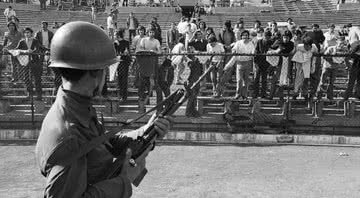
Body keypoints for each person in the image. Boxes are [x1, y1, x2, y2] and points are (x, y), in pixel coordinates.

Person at [35, 22, 173, 197]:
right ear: (94, 73)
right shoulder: (69, 134)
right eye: (104, 70)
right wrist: (124, 180)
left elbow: (104, 143)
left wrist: (147, 131)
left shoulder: (76, 108)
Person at [15, 27, 43, 100]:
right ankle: (30, 93)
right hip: (25, 63)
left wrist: (32, 51)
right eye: (25, 33)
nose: (27, 34)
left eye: (28, 32)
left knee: (37, 78)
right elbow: (17, 50)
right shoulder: (21, 41)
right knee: (27, 78)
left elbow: (38, 49)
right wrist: (25, 51)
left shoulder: (35, 41)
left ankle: (38, 94)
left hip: (35, 62)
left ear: (31, 33)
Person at [253, 30, 274, 98]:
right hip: (259, 62)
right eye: (265, 36)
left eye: (268, 36)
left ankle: (263, 94)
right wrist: (255, 62)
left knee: (264, 79)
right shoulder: (259, 41)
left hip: (267, 63)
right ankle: (255, 93)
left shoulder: (271, 43)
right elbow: (256, 52)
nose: (267, 38)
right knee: (256, 79)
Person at [114, 29, 131, 101]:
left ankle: (124, 95)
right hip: (117, 63)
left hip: (124, 62)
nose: (114, 36)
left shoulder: (126, 42)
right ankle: (119, 95)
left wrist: (125, 52)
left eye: (115, 34)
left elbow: (127, 51)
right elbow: (114, 53)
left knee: (124, 79)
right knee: (118, 79)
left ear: (118, 35)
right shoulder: (114, 43)